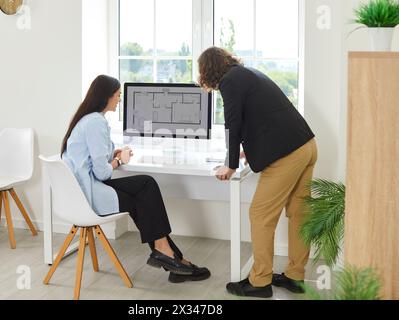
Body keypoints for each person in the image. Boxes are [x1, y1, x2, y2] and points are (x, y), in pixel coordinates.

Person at [61, 75, 210, 283]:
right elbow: (102, 173)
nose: (120, 99)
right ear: (106, 97)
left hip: (82, 191)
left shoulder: (89, 119)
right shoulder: (95, 122)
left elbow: (93, 157)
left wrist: (115, 154)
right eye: (118, 95)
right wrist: (119, 162)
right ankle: (171, 257)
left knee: (145, 187)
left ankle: (169, 256)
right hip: (90, 195)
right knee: (144, 194)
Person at [198, 47, 317, 298]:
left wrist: (230, 164)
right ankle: (295, 276)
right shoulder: (246, 73)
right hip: (306, 145)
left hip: (287, 154)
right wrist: (247, 151)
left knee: (260, 215)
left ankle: (260, 281)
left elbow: (233, 123)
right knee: (299, 214)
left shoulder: (230, 82)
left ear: (208, 70)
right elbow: (262, 118)